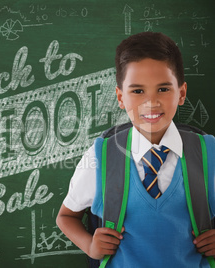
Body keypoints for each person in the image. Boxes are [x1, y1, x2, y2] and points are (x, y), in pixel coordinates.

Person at [56, 32, 215, 267]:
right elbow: (66, 216)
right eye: (138, 91)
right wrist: (90, 246)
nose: (151, 102)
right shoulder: (99, 157)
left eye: (163, 89)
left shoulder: (209, 153)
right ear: (120, 97)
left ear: (181, 93)